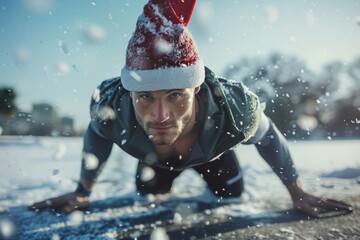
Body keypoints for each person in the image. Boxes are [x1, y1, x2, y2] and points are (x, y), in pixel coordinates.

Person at [28, 0, 352, 218]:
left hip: (215, 154)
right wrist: (83, 191)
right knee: (149, 199)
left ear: (196, 88)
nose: (160, 116)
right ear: (129, 95)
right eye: (145, 98)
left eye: (174, 95)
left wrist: (297, 192)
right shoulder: (111, 103)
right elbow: (96, 133)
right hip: (153, 160)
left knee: (231, 197)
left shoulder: (233, 110)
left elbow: (267, 136)